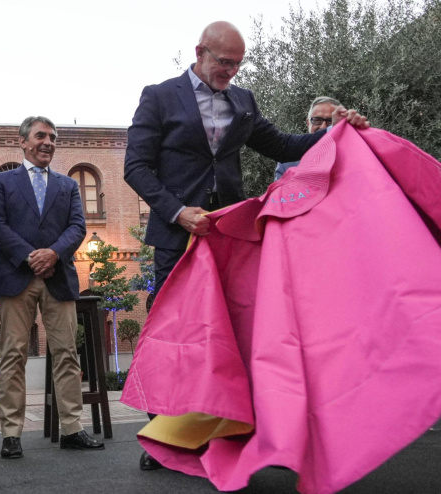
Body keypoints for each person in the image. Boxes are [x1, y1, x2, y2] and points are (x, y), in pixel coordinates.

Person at [123, 21, 368, 470]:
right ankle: (163, 437)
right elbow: (136, 168)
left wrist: (337, 133)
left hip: (228, 236)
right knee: (175, 337)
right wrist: (179, 212)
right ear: (199, 52)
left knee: (227, 335)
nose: (230, 72)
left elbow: (283, 146)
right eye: (223, 62)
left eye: (237, 64)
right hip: (178, 237)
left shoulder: (243, 100)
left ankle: (220, 432)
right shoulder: (158, 96)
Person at [0, 116, 104, 460]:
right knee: (13, 356)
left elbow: (78, 226)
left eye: (53, 137)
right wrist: (28, 256)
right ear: (23, 141)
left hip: (58, 278)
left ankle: (71, 429)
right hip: (15, 278)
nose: (48, 142)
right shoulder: (2, 182)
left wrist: (53, 253)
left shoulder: (67, 186)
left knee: (67, 354)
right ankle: (11, 434)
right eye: (41, 136)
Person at [274, 96, 342, 180]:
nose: (323, 126)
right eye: (317, 120)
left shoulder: (349, 155)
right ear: (308, 123)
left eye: (330, 121)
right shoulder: (288, 161)